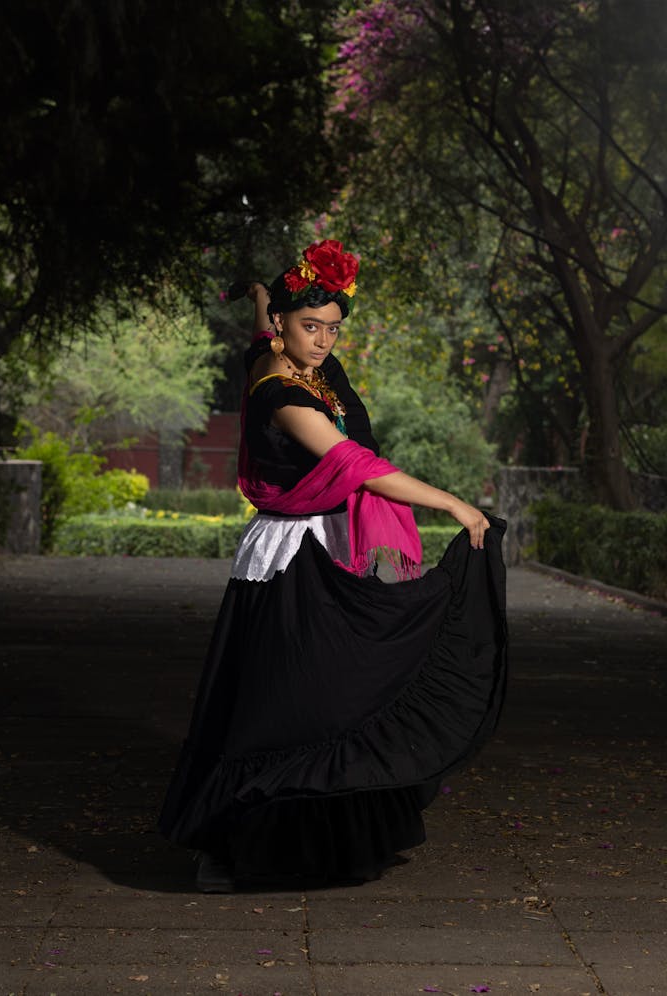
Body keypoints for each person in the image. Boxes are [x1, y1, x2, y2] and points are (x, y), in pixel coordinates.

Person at [159, 239, 507, 892]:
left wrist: (267, 298)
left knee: (326, 695)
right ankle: (236, 848)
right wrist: (454, 505)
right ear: (285, 333)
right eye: (308, 327)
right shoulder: (280, 395)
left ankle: (319, 838)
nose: (321, 341)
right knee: (287, 701)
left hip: (327, 542)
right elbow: (356, 467)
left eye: (331, 329)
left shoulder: (286, 348)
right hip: (291, 556)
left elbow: (265, 320)